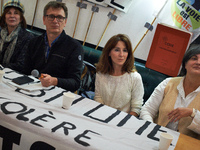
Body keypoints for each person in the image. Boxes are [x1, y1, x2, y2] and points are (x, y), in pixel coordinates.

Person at [140, 46, 200, 139]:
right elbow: (147, 110)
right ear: (185, 64)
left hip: (186, 144)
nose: (198, 62)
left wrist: (193, 113)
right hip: (156, 136)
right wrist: (152, 129)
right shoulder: (168, 83)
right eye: (194, 58)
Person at [22, 1, 83, 92]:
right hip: (31, 89)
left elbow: (75, 83)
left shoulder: (75, 47)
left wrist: (54, 81)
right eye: (51, 16)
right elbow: (25, 71)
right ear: (44, 20)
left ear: (65, 21)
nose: (55, 21)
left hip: (57, 94)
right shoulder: (34, 42)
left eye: (59, 17)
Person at [94, 34, 144, 117]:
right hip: (101, 115)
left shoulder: (135, 78)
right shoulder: (100, 73)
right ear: (109, 52)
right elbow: (98, 98)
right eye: (117, 50)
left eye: (125, 50)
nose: (121, 54)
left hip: (124, 121)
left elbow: (136, 109)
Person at [0, 0, 33, 72]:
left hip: (14, 76)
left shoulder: (28, 37)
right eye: (9, 13)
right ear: (4, 17)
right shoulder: (0, 33)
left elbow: (21, 64)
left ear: (21, 18)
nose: (12, 16)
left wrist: (1, 67)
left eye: (16, 13)